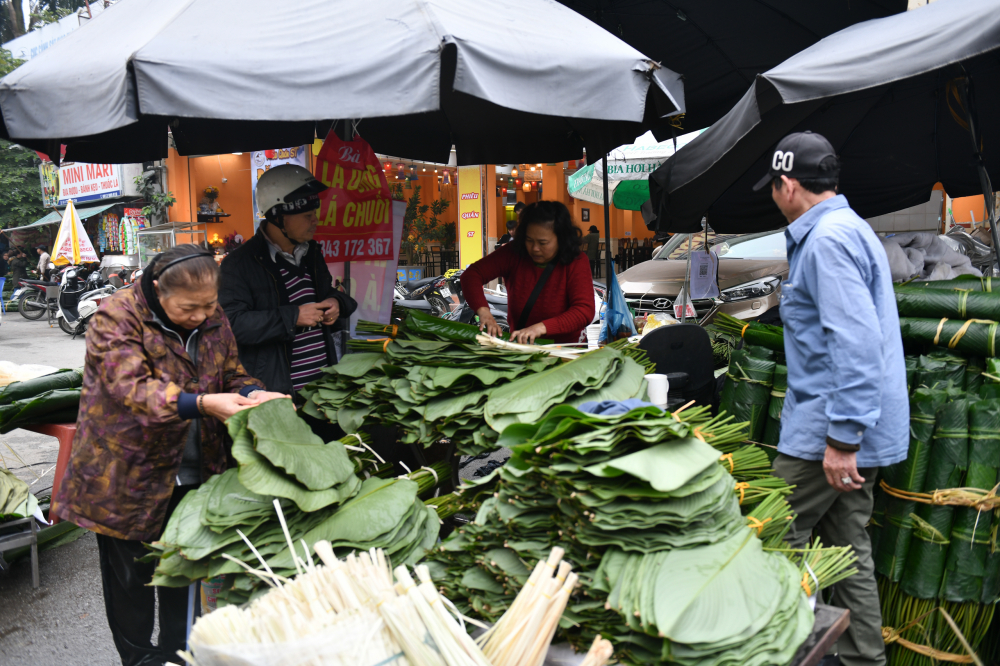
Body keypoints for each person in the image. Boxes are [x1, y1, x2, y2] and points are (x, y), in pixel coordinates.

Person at [51, 244, 287, 666]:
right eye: (189, 309)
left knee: (185, 570)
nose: (201, 316)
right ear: (158, 290)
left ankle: (179, 655)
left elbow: (231, 371)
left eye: (208, 306)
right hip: (125, 476)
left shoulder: (211, 313)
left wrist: (251, 390)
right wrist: (202, 404)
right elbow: (131, 390)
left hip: (199, 472)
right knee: (133, 582)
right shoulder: (116, 316)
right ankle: (140, 659)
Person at [753, 131, 907, 666]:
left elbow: (856, 344)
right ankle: (865, 659)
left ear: (788, 184)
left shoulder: (827, 241)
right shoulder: (848, 228)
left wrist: (843, 439)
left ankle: (784, 653)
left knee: (769, 530)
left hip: (829, 429)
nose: (773, 197)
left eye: (773, 187)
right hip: (845, 425)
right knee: (848, 551)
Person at [220, 164, 357, 395]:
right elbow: (231, 325)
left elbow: (325, 296)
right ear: (278, 216)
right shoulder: (239, 264)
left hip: (324, 391)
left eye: (314, 214)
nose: (315, 221)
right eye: (307, 216)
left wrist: (336, 303)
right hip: (277, 394)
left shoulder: (311, 253)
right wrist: (293, 317)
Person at [462, 200, 594, 344]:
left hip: (566, 349)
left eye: (543, 243)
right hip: (522, 347)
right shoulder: (513, 253)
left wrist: (541, 328)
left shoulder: (576, 261)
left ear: (561, 238)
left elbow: (584, 310)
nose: (535, 248)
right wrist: (484, 312)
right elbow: (471, 275)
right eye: (529, 240)